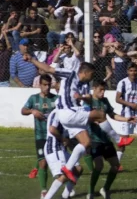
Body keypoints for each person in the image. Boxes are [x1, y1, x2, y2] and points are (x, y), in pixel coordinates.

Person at [25, 57, 129, 185]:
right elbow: (48, 68)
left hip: (72, 116)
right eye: (91, 74)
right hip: (68, 113)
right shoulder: (70, 73)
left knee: (86, 142)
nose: (92, 78)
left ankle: (65, 178)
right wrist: (31, 59)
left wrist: (83, 98)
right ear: (85, 72)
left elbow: (88, 100)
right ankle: (119, 140)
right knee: (100, 114)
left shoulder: (83, 85)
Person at [86, 79, 136, 199]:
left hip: (106, 139)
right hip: (94, 139)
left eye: (104, 90)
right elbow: (84, 117)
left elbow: (112, 115)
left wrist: (126, 119)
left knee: (115, 166)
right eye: (100, 90)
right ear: (94, 89)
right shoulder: (88, 102)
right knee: (99, 166)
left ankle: (105, 189)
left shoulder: (105, 101)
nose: (103, 93)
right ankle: (91, 192)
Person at [38, 109, 83, 199]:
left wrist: (70, 142)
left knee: (78, 169)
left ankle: (65, 196)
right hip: (53, 148)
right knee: (65, 175)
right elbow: (52, 129)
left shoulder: (68, 113)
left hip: (61, 148)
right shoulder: (58, 112)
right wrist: (64, 139)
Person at [21, 75, 56, 199]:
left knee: (58, 164)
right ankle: (44, 190)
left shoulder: (56, 99)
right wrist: (32, 111)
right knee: (43, 163)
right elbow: (23, 110)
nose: (47, 87)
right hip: (40, 136)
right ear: (40, 85)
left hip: (54, 136)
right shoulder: (34, 98)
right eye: (44, 85)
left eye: (48, 85)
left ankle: (67, 188)